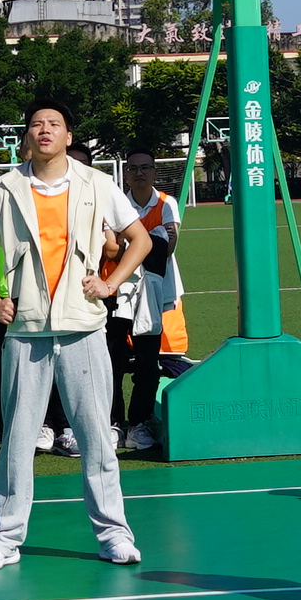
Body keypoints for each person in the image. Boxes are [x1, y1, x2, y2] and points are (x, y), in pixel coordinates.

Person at [0, 99, 148, 570]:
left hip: (83, 327)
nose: (44, 130)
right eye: (36, 124)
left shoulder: (97, 183)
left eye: (54, 124)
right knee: (17, 441)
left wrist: (110, 283)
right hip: (26, 330)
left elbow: (140, 240)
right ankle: (4, 539)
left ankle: (114, 534)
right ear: (26, 136)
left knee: (97, 438)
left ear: (68, 136)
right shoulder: (4, 188)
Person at [115, 149, 182, 453]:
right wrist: (149, 241)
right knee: (114, 358)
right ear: (126, 174)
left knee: (147, 360)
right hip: (118, 290)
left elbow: (166, 248)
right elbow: (111, 249)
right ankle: (114, 422)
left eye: (145, 168)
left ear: (155, 172)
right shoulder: (116, 202)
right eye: (133, 168)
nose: (139, 173)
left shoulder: (167, 203)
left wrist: (131, 243)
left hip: (155, 289)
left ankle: (139, 422)